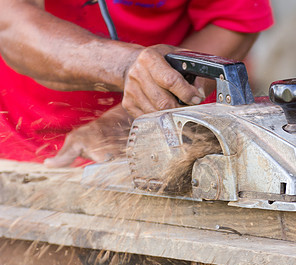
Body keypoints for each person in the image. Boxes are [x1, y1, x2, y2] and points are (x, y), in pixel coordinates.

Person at [0, 0, 273, 167]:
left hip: (172, 138)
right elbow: (10, 23)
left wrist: (136, 115)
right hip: (20, 142)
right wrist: (125, 65)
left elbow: (234, 21)